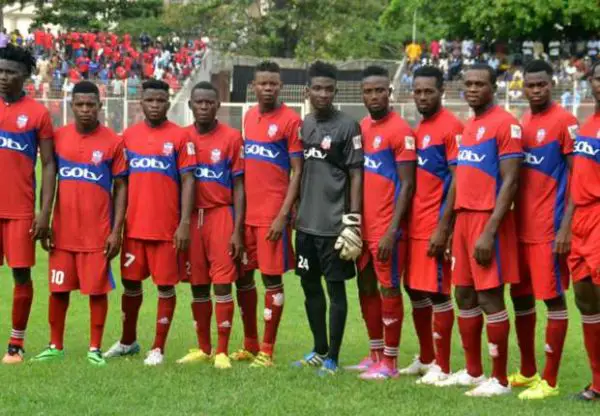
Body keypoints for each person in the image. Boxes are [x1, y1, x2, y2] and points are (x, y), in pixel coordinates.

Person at [436, 64, 522, 397]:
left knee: (489, 296)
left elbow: (511, 181)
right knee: (463, 294)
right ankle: (473, 372)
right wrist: (449, 225)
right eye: (468, 84)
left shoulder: (506, 123)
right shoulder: (470, 125)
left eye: (480, 84)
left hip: (488, 221)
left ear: (493, 88)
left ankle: (499, 379)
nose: (472, 89)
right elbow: (460, 178)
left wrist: (489, 231)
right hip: (463, 220)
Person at [31, 81, 127, 366]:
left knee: (97, 291)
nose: (86, 109)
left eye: (91, 105)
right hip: (63, 232)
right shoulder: (59, 137)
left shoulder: (113, 142)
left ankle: (94, 348)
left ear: (100, 106)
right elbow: (49, 177)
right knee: (58, 290)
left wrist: (116, 231)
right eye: (80, 104)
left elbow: (121, 187)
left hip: (97, 233)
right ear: (71, 106)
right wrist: (45, 217)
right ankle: (55, 345)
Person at [103, 79, 196, 365]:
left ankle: (158, 348)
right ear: (141, 102)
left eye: (160, 100)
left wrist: (184, 223)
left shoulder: (180, 137)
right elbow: (121, 185)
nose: (155, 105)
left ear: (168, 103)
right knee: (131, 285)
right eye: (150, 100)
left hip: (166, 230)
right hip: (134, 229)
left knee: (165, 287)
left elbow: (189, 181)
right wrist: (117, 228)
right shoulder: (128, 137)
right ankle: (128, 341)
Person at [509, 60, 578, 400]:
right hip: (519, 229)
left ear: (552, 85)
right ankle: (527, 371)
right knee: (519, 297)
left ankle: (549, 381)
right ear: (523, 87)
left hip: (548, 229)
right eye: (531, 85)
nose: (536, 90)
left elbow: (579, 177)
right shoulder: (522, 121)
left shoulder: (565, 122)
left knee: (552, 298)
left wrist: (566, 227)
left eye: (542, 85)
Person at [230, 61, 303, 367]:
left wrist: (283, 215)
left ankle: (267, 350)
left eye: (273, 83)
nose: (268, 88)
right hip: (247, 215)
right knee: (243, 278)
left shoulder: (291, 120)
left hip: (272, 216)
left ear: (280, 86)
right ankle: (250, 344)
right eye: (263, 83)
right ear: (254, 86)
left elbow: (298, 170)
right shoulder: (249, 116)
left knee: (271, 280)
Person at [293, 61, 363, 375]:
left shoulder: (348, 126)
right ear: (307, 91)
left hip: (335, 226)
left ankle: (333, 357)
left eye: (329, 89)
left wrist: (353, 220)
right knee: (310, 287)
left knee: (335, 290)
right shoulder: (305, 124)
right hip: (306, 225)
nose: (323, 94)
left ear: (336, 92)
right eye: (318, 89)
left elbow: (356, 174)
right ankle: (319, 349)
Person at [345, 65, 415, 380]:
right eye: (368, 91)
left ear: (390, 92)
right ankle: (374, 353)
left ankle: (390, 361)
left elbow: (408, 185)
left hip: (387, 229)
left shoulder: (400, 130)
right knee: (365, 286)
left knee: (388, 289)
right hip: (363, 228)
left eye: (379, 90)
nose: (374, 96)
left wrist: (392, 230)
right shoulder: (361, 127)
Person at [176, 82, 245, 370]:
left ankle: (222, 351)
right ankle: (204, 347)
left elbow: (239, 185)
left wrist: (237, 229)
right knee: (198, 284)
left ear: (218, 105)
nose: (204, 106)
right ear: (190, 105)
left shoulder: (232, 137)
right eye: (199, 102)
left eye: (209, 102)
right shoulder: (182, 137)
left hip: (220, 215)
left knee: (222, 282)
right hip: (192, 219)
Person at [402, 66, 463, 384]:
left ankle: (443, 365)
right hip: (414, 224)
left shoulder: (451, 127)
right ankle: (426, 357)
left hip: (434, 225)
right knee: (413, 289)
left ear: (442, 92)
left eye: (429, 91)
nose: (422, 97)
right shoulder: (420, 128)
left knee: (438, 293)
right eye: (418, 91)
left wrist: (444, 227)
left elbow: (458, 179)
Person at [0, 45, 56, 364]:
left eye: (11, 72)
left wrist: (44, 212)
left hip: (20, 211)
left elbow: (48, 164)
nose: (3, 77)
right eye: (0, 71)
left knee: (21, 274)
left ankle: (15, 344)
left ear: (25, 76)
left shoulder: (37, 114)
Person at [569, 60, 600, 401]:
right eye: (598, 79)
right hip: (580, 220)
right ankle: (597, 382)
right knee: (584, 299)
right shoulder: (587, 125)